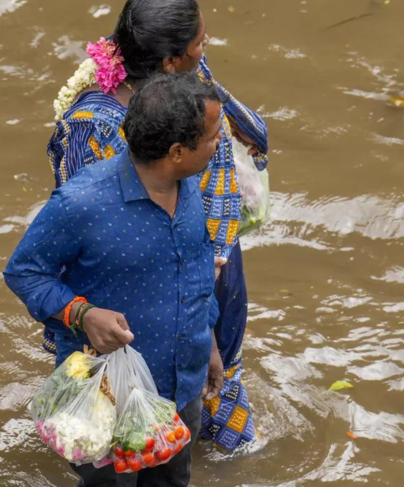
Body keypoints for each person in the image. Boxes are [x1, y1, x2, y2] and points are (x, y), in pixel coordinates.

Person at [44, 0, 269, 451]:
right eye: (200, 43)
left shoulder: (194, 88)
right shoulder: (97, 127)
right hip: (143, 285)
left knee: (197, 388)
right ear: (169, 61)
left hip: (208, 264)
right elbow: (81, 234)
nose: (205, 51)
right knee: (123, 414)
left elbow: (255, 133)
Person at [5, 73, 224, 486]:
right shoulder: (81, 203)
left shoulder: (188, 185)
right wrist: (81, 314)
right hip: (106, 399)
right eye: (213, 135)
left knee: (173, 480)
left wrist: (209, 343)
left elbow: (196, 271)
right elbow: (25, 272)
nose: (219, 143)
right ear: (177, 151)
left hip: (182, 388)